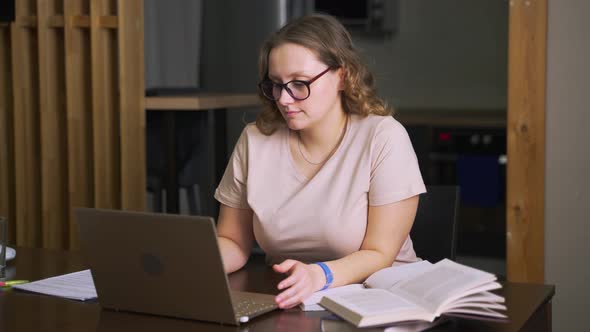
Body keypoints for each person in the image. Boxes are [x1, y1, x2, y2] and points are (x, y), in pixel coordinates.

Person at [214, 14, 425, 309]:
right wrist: (187, 265)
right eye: (276, 84)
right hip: (291, 302)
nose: (284, 99)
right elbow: (234, 243)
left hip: (381, 302)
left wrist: (318, 275)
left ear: (343, 75)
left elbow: (380, 253)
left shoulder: (383, 137)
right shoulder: (255, 141)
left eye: (299, 83)